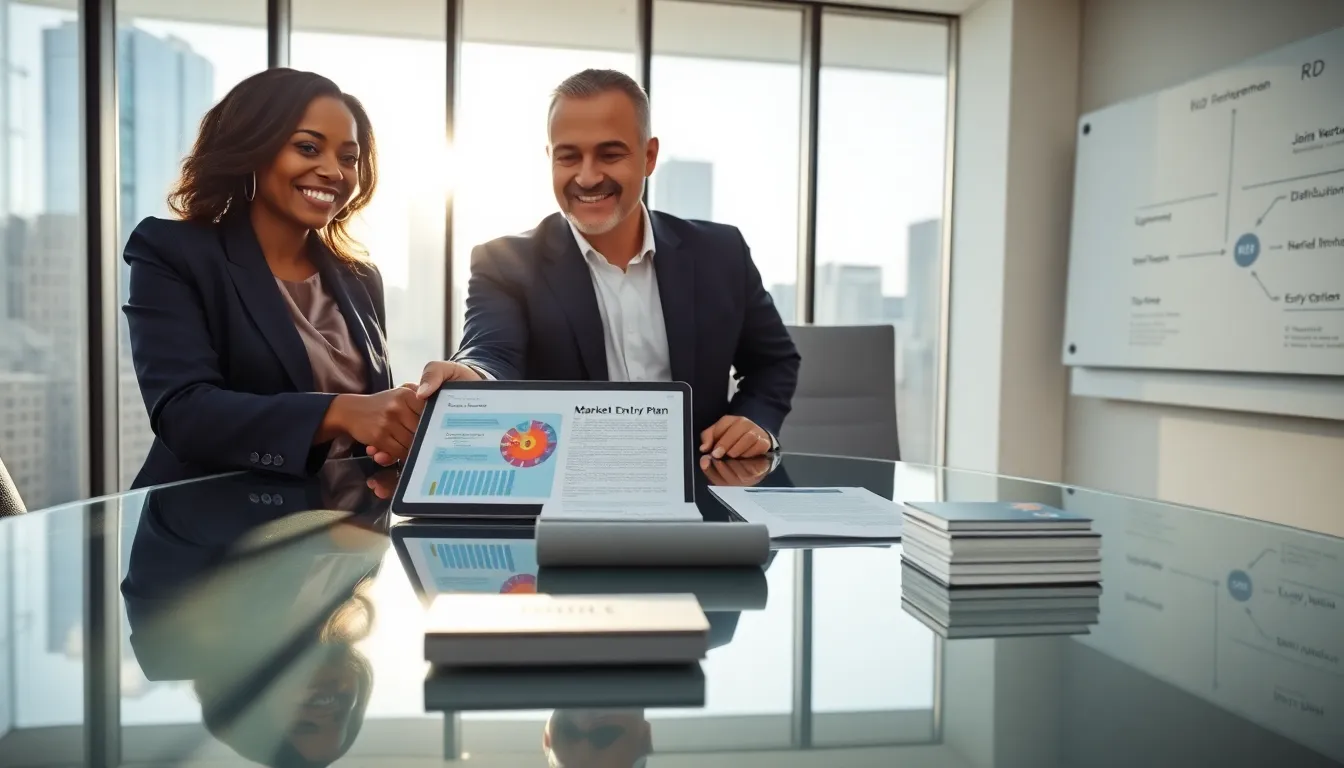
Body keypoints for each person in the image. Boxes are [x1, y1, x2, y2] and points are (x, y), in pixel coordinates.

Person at [412, 68, 800, 463]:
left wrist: (755, 419)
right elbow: (492, 351)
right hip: (567, 485)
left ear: (648, 157)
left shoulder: (721, 252)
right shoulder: (504, 262)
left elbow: (773, 361)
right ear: (550, 159)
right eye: (568, 157)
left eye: (610, 155)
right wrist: (474, 378)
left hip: (699, 481)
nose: (587, 176)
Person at [123, 68, 423, 488]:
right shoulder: (172, 252)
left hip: (342, 529)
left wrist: (398, 421)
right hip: (209, 532)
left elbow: (366, 430)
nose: (333, 172)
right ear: (254, 148)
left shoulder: (360, 277)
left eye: (348, 158)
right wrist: (339, 411)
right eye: (307, 147)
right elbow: (184, 414)